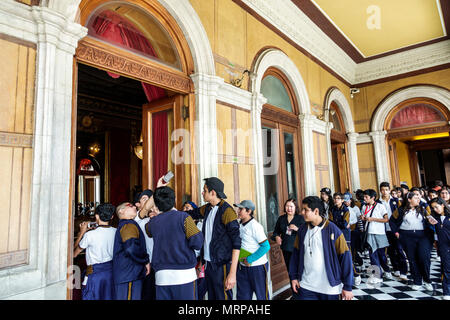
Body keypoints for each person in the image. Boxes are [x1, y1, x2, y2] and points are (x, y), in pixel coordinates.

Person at [185, 177, 241, 300]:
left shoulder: (227, 211)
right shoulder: (207, 208)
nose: (202, 193)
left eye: (204, 190)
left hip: (222, 265)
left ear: (213, 192)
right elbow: (191, 214)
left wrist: (232, 274)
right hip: (209, 265)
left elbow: (237, 243)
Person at [144, 186, 204, 300]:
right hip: (184, 275)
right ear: (174, 200)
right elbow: (197, 242)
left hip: (162, 277)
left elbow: (148, 231)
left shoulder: (152, 223)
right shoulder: (184, 217)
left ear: (156, 205)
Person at [289, 196, 354, 300]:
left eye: (305, 210)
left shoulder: (333, 230)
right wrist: (294, 277)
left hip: (330, 288)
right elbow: (295, 255)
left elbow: (345, 257)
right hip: (306, 286)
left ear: (316, 211)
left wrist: (348, 286)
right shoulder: (302, 230)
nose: (302, 212)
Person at [390, 192, 435, 291]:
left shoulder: (423, 209)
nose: (418, 199)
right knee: (412, 259)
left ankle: (427, 280)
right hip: (407, 236)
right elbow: (392, 220)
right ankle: (417, 281)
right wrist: (396, 232)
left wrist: (431, 222)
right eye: (415, 198)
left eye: (419, 198)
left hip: (423, 236)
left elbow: (431, 218)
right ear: (409, 199)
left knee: (424, 258)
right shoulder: (401, 210)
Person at [74, 203, 116, 300]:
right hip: (111, 274)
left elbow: (74, 254)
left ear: (96, 216)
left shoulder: (90, 235)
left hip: (95, 275)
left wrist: (82, 232)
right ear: (112, 217)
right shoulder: (116, 231)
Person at [113, 202, 150, 300]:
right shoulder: (128, 224)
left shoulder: (126, 224)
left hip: (127, 274)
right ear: (121, 211)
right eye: (130, 205)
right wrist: (145, 260)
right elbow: (130, 248)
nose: (134, 206)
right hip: (130, 273)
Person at [234, 200, 271, 300]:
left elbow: (266, 246)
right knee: (242, 297)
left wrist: (250, 259)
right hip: (242, 267)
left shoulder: (256, 226)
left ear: (249, 211)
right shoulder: (239, 224)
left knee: (262, 296)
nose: (238, 211)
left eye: (241, 209)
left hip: (257, 267)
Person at [361, 189, 392, 283]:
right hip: (369, 232)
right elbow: (364, 218)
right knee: (372, 254)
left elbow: (386, 219)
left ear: (373, 197)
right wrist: (363, 218)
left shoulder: (380, 206)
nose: (364, 198)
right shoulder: (364, 207)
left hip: (380, 233)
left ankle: (386, 270)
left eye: (366, 197)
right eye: (364, 197)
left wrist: (373, 219)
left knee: (382, 255)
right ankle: (377, 275)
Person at [379, 182, 408, 281]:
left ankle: (403, 271)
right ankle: (395, 268)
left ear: (389, 190)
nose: (385, 192)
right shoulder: (378, 202)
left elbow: (400, 215)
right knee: (390, 250)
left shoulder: (396, 201)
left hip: (395, 229)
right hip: (384, 229)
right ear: (380, 190)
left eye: (386, 190)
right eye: (382, 190)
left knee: (399, 249)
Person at [134, 189, 156, 300]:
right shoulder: (136, 221)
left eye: (150, 198)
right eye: (144, 199)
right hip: (145, 266)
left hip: (161, 265)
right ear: (137, 204)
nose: (149, 201)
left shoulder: (160, 217)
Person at [271, 199, 305, 271]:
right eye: (287, 206)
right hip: (286, 248)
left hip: (298, 248)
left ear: (295, 207)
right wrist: (276, 237)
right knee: (290, 270)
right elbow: (275, 232)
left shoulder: (300, 218)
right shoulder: (281, 218)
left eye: (291, 206)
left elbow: (306, 232)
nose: (289, 208)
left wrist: (297, 229)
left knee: (300, 270)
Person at [429, 198, 450, 300]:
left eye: (436, 207)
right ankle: (446, 292)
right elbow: (436, 233)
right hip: (443, 247)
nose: (435, 209)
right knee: (446, 269)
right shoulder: (434, 218)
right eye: (433, 208)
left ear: (442, 205)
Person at [343, 193, 363, 285]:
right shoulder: (337, 210)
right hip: (340, 234)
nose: (346, 202)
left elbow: (356, 221)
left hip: (350, 233)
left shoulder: (352, 210)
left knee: (350, 254)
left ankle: (355, 274)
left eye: (347, 200)